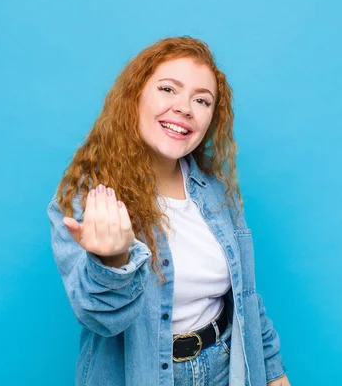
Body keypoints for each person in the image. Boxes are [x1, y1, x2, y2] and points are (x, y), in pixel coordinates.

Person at [47, 36, 291, 386]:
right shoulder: (87, 197)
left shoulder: (215, 193)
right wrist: (113, 264)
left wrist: (273, 372)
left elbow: (245, 297)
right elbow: (99, 318)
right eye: (168, 89)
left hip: (225, 367)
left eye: (202, 100)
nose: (185, 108)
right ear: (135, 97)